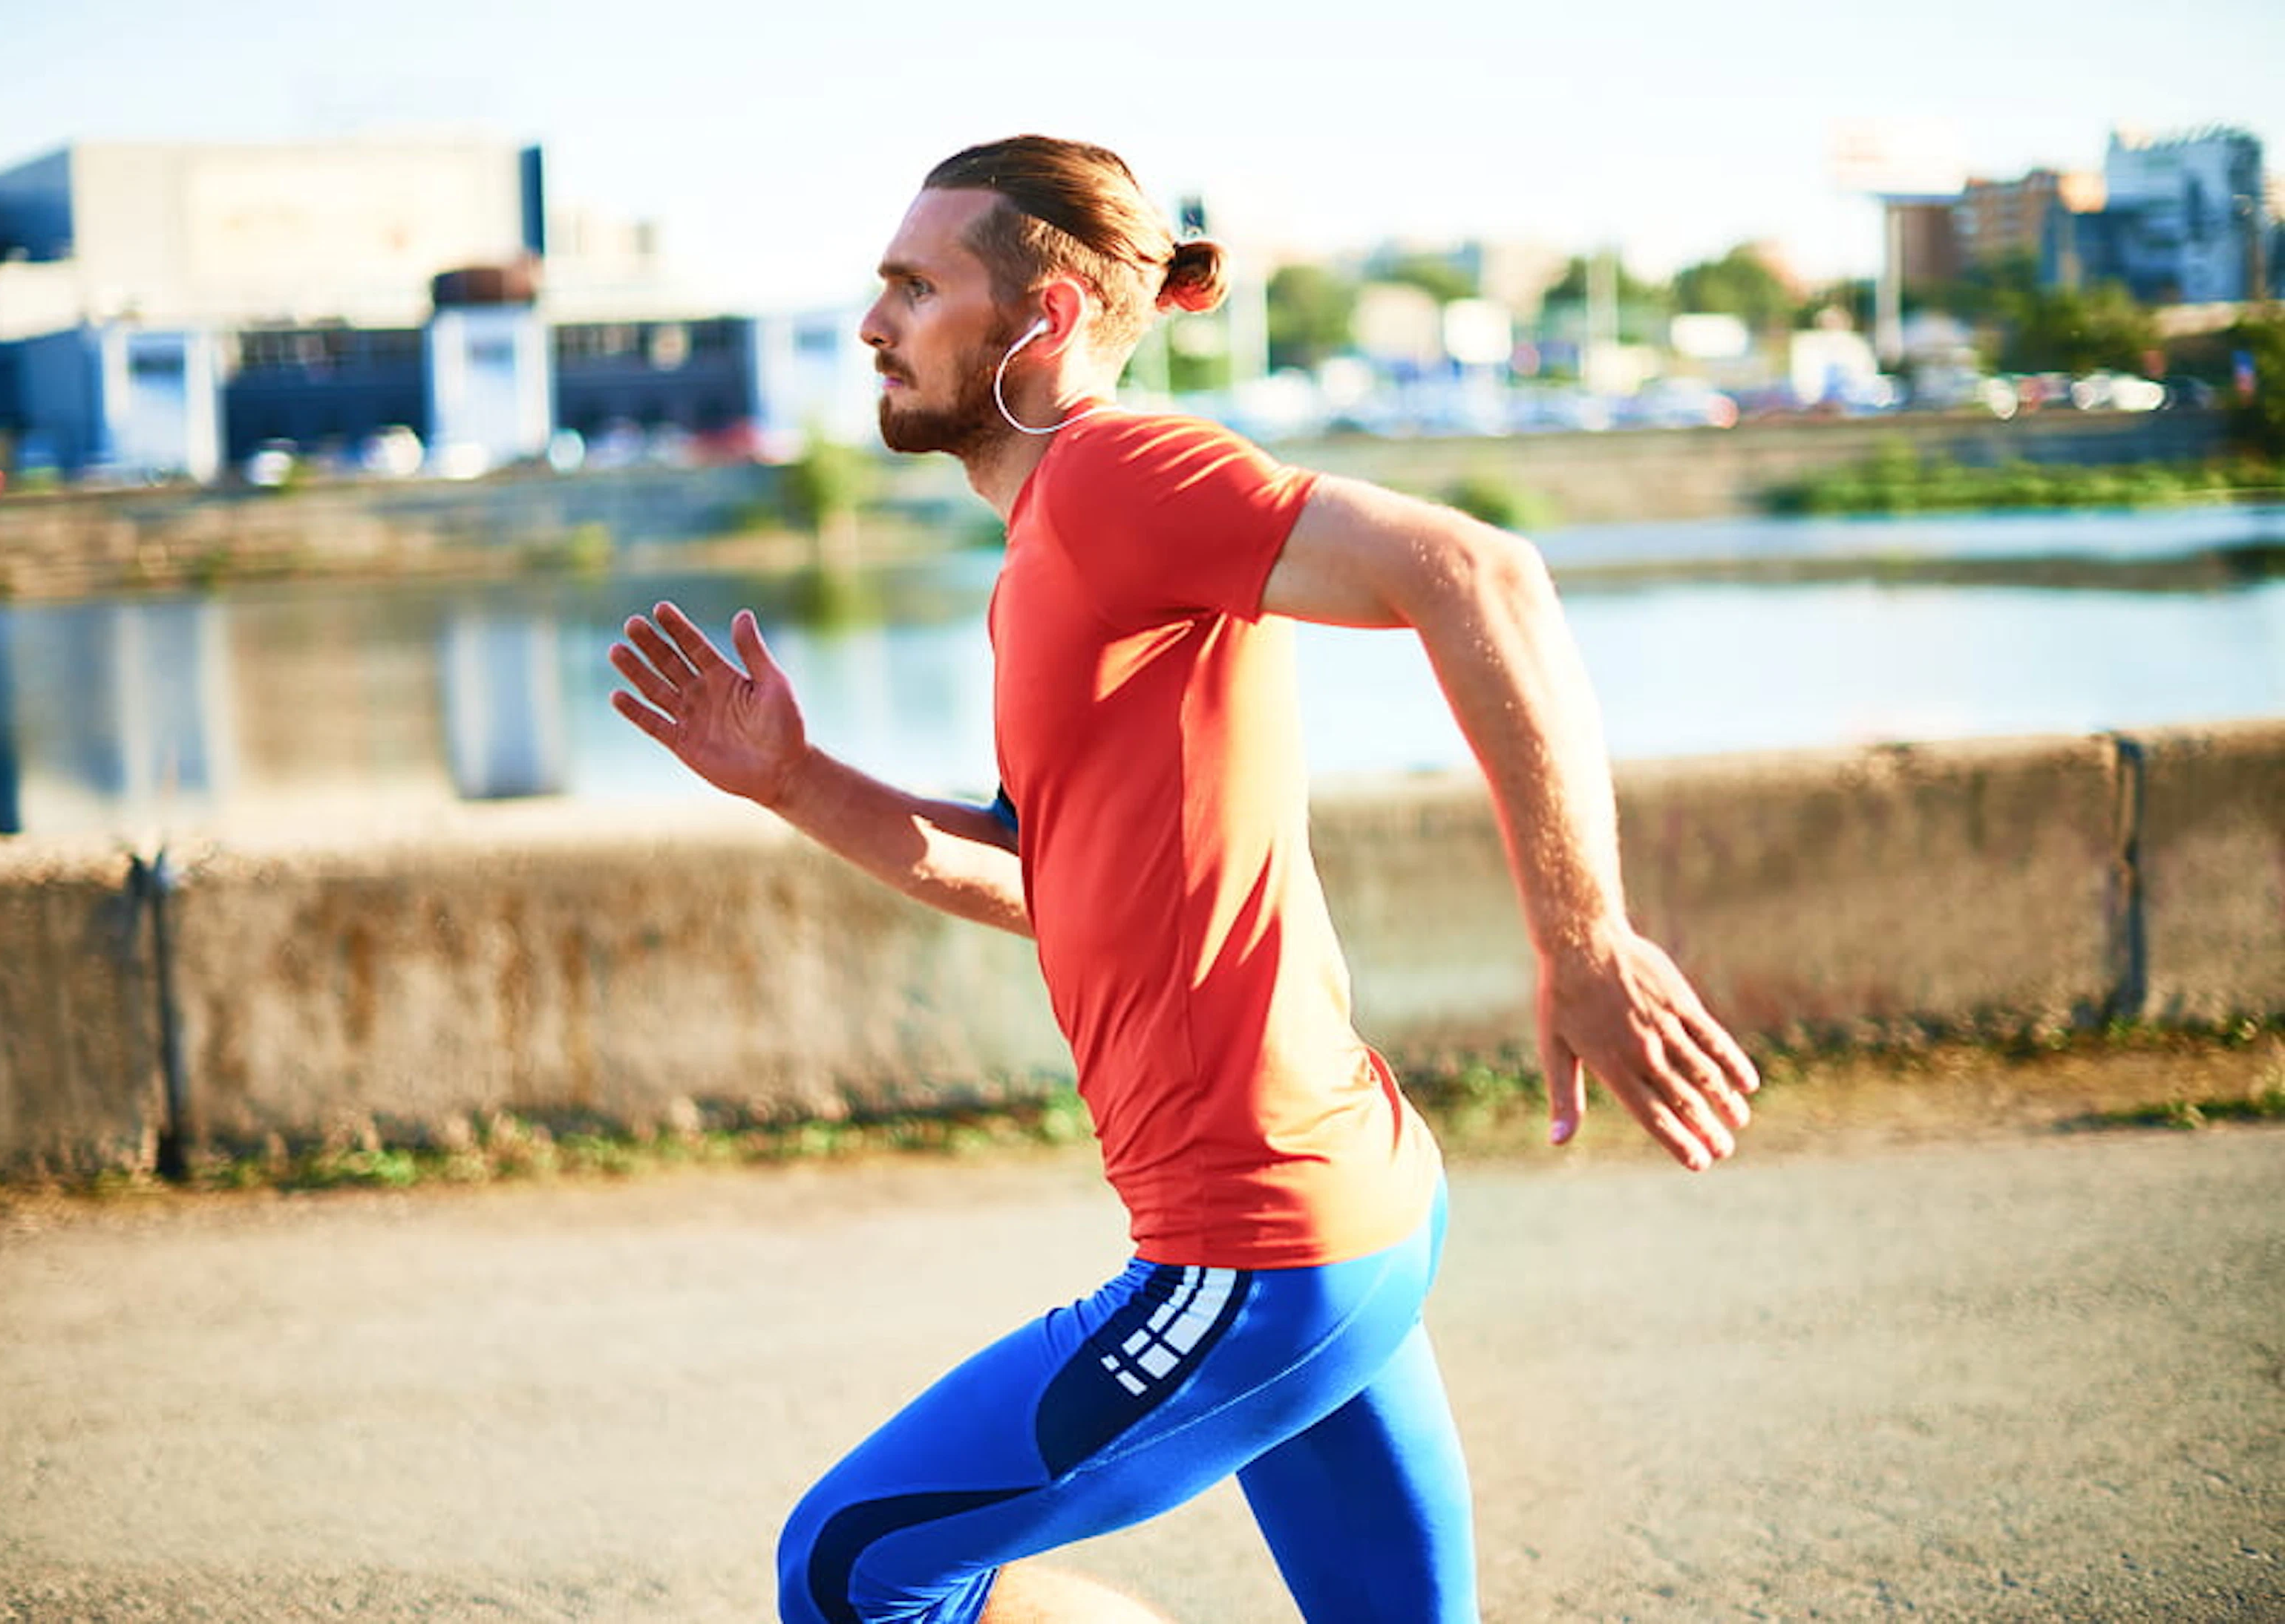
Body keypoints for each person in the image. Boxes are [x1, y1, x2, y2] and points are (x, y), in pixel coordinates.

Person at [609, 134, 1759, 1624]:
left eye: (912, 284)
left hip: (1264, 1242)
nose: (872, 324)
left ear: (1048, 321)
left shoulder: (1110, 472)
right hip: (1343, 1206)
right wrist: (792, 780)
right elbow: (1045, 874)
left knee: (853, 1564)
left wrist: (1584, 935)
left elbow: (1479, 574)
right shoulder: (1047, 550)